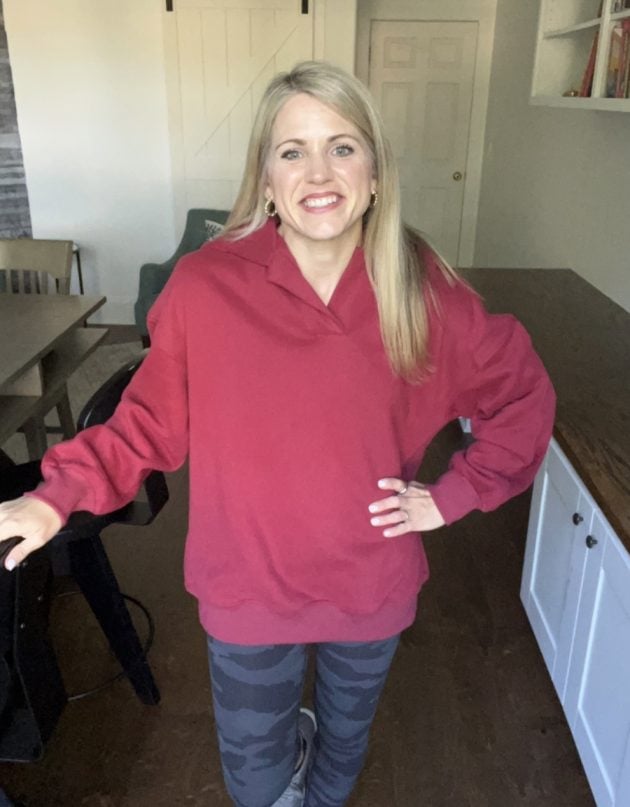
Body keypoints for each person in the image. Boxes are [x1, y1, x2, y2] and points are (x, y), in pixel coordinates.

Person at [0, 61, 555, 807]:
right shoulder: (204, 287)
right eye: (293, 151)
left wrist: (452, 496)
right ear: (266, 179)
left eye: (342, 146)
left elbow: (521, 393)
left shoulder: (425, 292)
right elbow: (146, 422)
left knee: (343, 752)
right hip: (249, 585)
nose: (318, 172)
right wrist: (54, 496)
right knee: (256, 784)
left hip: (370, 583)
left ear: (375, 174)